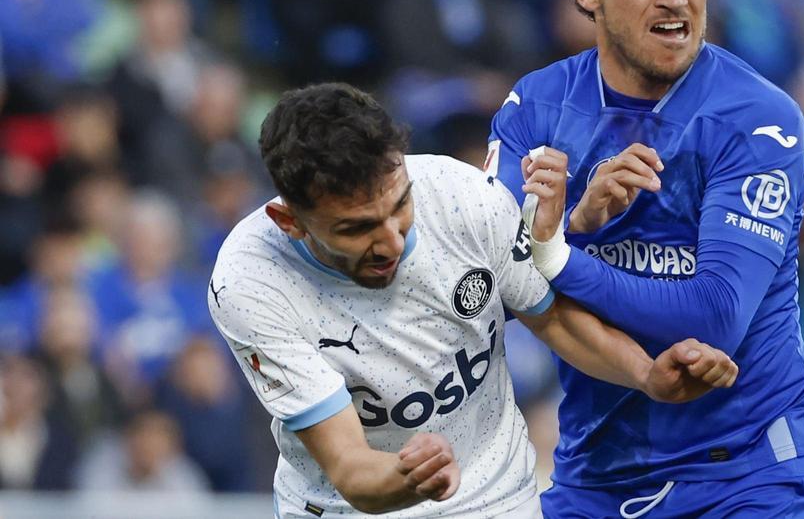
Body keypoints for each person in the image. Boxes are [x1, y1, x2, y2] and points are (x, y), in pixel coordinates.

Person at [488, 0, 804, 517]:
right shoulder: (534, 111)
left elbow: (714, 317)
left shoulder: (756, 119)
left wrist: (556, 255)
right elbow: (486, 284)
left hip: (750, 474)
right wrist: (579, 225)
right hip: (600, 474)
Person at [209, 83, 738, 518]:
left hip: (498, 498)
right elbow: (351, 471)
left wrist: (647, 375)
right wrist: (408, 476)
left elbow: (552, 318)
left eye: (400, 205)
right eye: (357, 228)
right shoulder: (251, 283)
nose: (392, 239)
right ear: (291, 222)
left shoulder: (464, 198)